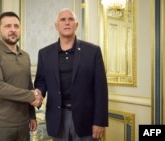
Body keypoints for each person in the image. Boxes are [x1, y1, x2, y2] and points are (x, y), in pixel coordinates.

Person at [34, 8, 108, 141]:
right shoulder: (44, 53)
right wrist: (39, 92)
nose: (67, 22)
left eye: (71, 19)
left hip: (86, 119)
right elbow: (41, 81)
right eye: (63, 20)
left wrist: (100, 121)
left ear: (76, 25)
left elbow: (101, 89)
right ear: (56, 26)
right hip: (57, 118)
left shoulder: (93, 51)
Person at [0, 11, 43, 141]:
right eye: (8, 26)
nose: (13, 30)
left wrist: (32, 116)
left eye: (16, 26)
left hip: (23, 123)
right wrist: (32, 96)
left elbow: (28, 85)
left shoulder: (25, 56)